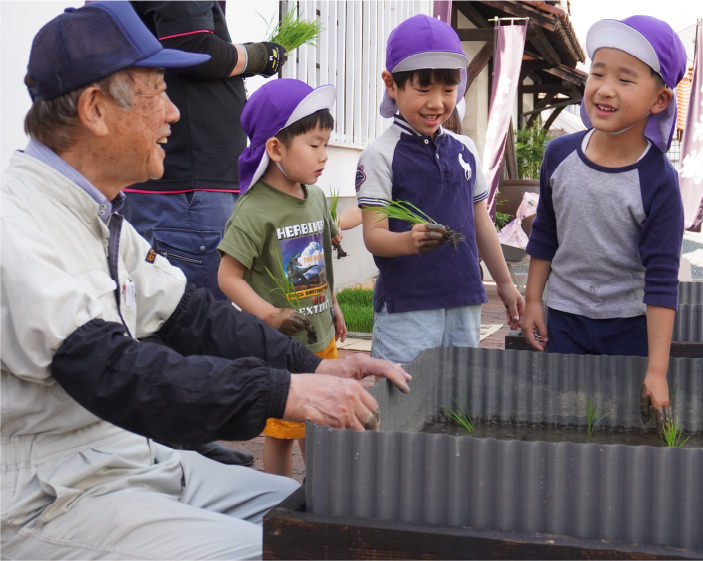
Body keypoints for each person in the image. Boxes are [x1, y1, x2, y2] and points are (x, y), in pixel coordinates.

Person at [1, 3, 411, 558]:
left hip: (132, 458)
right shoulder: (19, 223)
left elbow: (193, 316)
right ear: (95, 109)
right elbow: (115, 372)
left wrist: (318, 366)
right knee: (297, 550)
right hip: (51, 492)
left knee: (334, 520)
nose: (173, 113)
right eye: (157, 92)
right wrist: (285, 392)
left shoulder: (100, 213)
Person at [124, 1, 285, 466]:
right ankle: (181, 454)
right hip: (188, 188)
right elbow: (190, 46)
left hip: (183, 186)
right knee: (188, 320)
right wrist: (258, 57)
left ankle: (180, 443)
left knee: (169, 317)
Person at [521, 15, 687, 439]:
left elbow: (662, 279)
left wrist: (657, 369)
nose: (605, 88)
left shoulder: (658, 181)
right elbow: (545, 234)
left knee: (620, 429)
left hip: (628, 324)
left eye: (625, 79)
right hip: (564, 317)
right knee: (561, 423)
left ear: (660, 99)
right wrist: (534, 301)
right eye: (598, 72)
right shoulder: (559, 156)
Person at [355, 14, 524, 365]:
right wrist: (408, 241)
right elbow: (373, 235)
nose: (437, 103)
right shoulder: (380, 155)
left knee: (457, 399)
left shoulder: (465, 149)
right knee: (402, 402)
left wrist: (505, 283)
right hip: (408, 307)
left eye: (448, 90)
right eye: (423, 89)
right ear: (391, 84)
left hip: (464, 299)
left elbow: (481, 223)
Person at [218, 78, 347, 476]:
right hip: (280, 347)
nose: (324, 155)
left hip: (320, 338)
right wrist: (270, 315)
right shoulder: (253, 210)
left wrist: (336, 308)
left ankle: (320, 498)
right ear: (275, 148)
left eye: (327, 143)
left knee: (319, 423)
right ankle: (281, 500)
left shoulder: (317, 198)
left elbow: (321, 263)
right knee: (283, 431)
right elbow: (228, 276)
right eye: (314, 144)